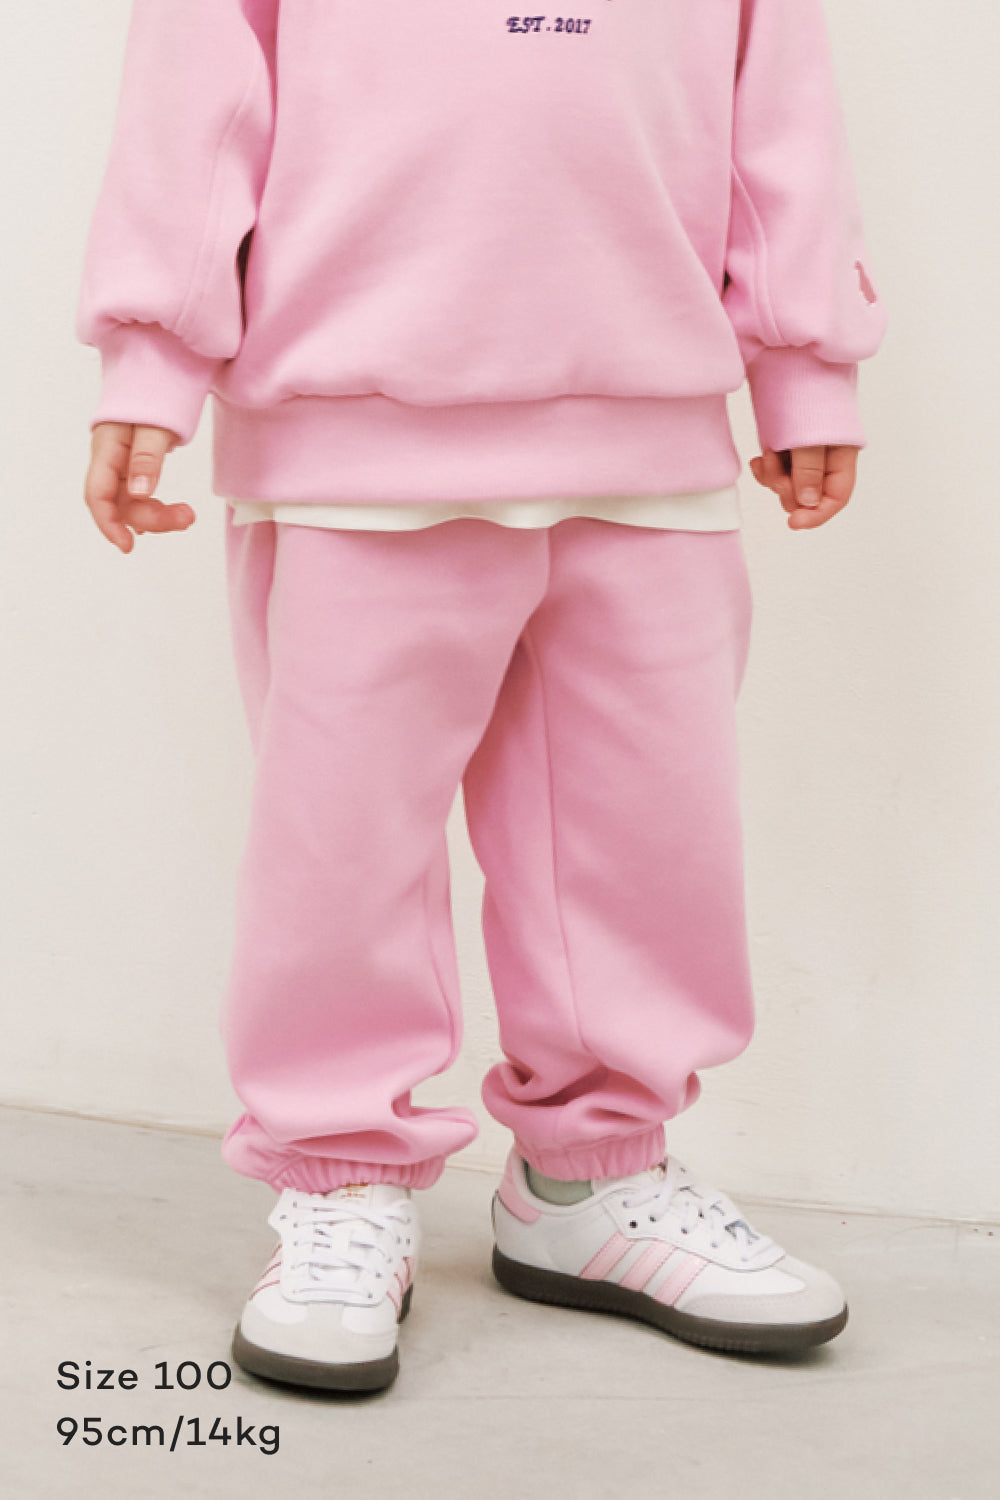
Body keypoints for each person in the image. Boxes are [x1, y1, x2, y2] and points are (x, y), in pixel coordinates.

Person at [76, 0, 887, 1393]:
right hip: (352, 429)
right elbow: (195, 96)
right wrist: (152, 359)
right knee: (343, 848)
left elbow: (781, 118)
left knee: (645, 839)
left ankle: (593, 1178)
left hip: (650, 429)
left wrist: (806, 368)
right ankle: (338, 1174)